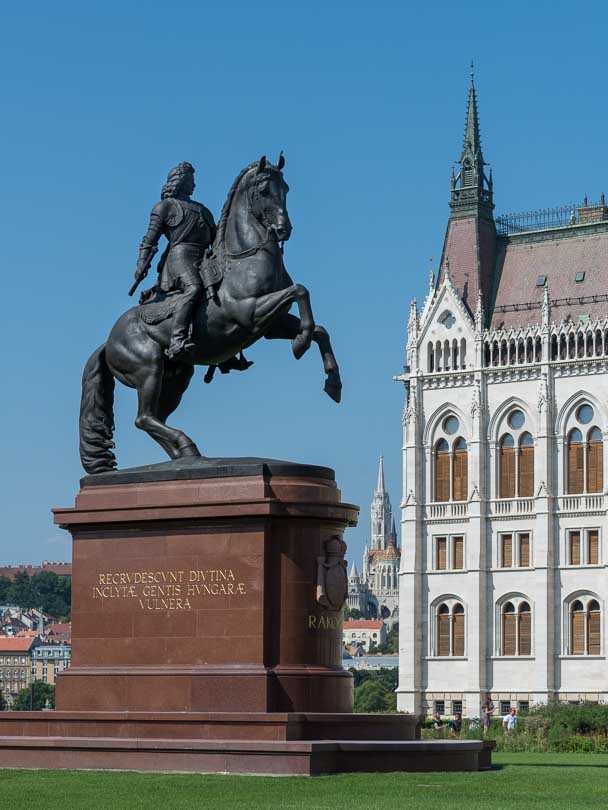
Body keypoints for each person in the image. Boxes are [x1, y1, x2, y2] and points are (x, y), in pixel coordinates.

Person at [135, 162, 216, 361]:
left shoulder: (203, 210)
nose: (194, 185)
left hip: (204, 258)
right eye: (191, 180)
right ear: (180, 181)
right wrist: (141, 264)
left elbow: (216, 239)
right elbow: (150, 240)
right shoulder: (164, 207)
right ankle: (177, 340)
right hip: (179, 258)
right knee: (194, 288)